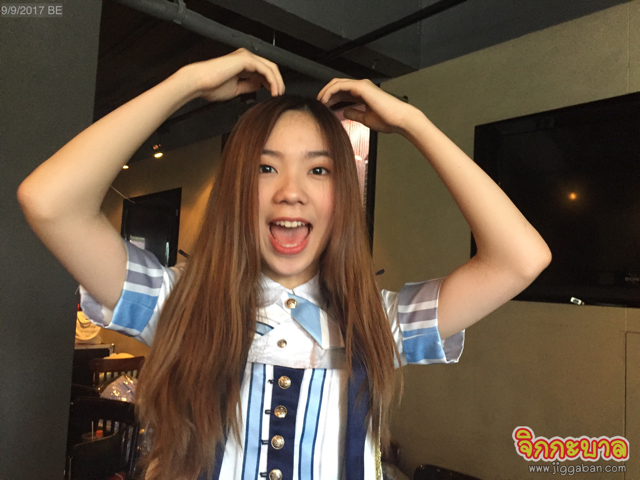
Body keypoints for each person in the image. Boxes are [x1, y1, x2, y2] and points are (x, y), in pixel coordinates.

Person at [17, 48, 551, 480]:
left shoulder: (376, 323)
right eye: (265, 168)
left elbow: (522, 258)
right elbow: (48, 202)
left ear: (342, 196)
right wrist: (185, 83)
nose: (290, 191)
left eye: (318, 170)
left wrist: (413, 123)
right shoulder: (179, 304)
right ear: (236, 189)